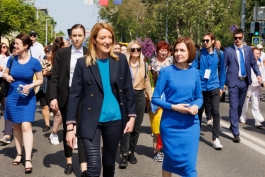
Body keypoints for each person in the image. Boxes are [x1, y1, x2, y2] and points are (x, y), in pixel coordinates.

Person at [66, 22, 136, 177]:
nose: (107, 41)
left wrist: (131, 116)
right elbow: (74, 96)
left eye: (110, 37)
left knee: (109, 164)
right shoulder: (83, 63)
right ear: (94, 40)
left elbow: (127, 90)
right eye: (103, 37)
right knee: (94, 169)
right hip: (91, 120)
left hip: (115, 120)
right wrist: (70, 127)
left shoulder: (121, 60)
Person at [152, 36, 203, 177]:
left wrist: (196, 106)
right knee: (169, 161)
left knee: (189, 166)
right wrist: (174, 107)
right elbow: (155, 98)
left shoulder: (194, 73)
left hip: (191, 125)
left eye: (182, 50)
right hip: (170, 125)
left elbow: (199, 97)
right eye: (176, 50)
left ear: (190, 52)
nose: (178, 53)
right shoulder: (166, 72)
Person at [50, 24, 88, 175]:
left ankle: (84, 166)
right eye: (74, 35)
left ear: (84, 36)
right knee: (68, 129)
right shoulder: (62, 53)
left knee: (83, 131)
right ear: (70, 37)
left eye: (80, 35)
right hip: (66, 95)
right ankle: (69, 162)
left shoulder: (89, 52)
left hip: (85, 96)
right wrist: (53, 97)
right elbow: (55, 77)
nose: (77, 38)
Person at [3, 33, 43, 174]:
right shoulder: (12, 59)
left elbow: (40, 80)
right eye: (14, 43)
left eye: (17, 44)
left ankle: (27, 159)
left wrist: (31, 85)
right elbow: (4, 74)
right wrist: (7, 76)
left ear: (26, 46)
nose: (15, 46)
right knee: (16, 126)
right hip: (13, 96)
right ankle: (19, 154)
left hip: (28, 98)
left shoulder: (34, 62)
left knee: (26, 126)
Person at [224, 29, 261, 143]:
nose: (238, 40)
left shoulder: (248, 50)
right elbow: (223, 67)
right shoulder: (228, 50)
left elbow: (253, 63)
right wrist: (223, 83)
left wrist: (258, 74)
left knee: (240, 106)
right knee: (234, 106)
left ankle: (233, 123)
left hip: (244, 82)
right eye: (235, 38)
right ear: (233, 38)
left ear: (243, 37)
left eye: (240, 38)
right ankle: (235, 132)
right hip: (233, 82)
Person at [119, 40, 152, 169]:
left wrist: (150, 97)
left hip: (139, 96)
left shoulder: (144, 64)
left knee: (136, 128)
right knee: (125, 127)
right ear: (129, 51)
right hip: (126, 96)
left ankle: (131, 152)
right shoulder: (123, 64)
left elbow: (147, 81)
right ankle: (123, 154)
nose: (136, 51)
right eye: (133, 49)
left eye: (138, 49)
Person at [191, 32, 226, 149]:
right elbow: (193, 70)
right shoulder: (199, 54)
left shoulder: (220, 54)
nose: (205, 42)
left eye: (207, 40)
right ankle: (195, 135)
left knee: (215, 112)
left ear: (213, 41)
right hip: (201, 87)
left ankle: (216, 139)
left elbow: (222, 72)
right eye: (203, 40)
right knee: (199, 111)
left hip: (214, 86)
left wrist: (221, 87)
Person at [149, 41, 173, 162]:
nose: (163, 52)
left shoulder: (172, 62)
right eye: (161, 49)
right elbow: (148, 81)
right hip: (156, 95)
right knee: (156, 126)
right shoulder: (151, 63)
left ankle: (166, 150)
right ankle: (157, 151)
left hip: (169, 96)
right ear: (157, 50)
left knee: (168, 126)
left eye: (165, 50)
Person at [240, 47, 265, 127]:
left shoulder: (260, 63)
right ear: (252, 54)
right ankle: (243, 117)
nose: (257, 55)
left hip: (256, 86)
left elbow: (263, 74)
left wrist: (263, 81)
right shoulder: (248, 62)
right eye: (256, 53)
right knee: (246, 102)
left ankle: (257, 121)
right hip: (248, 86)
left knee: (256, 103)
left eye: (259, 54)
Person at [47, 36, 65, 145]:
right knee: (59, 113)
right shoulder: (57, 55)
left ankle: (74, 135)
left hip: (67, 88)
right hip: (56, 87)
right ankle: (54, 133)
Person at [0, 41, 15, 145]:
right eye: (13, 48)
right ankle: (8, 134)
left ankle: (21, 130)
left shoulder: (29, 60)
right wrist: (7, 75)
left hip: (22, 89)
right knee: (7, 109)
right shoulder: (9, 59)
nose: (15, 50)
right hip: (8, 86)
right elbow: (4, 72)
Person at [0, 42, 9, 116]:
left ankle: (3, 108)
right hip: (0, 76)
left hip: (5, 76)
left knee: (4, 92)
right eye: (3, 47)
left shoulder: (8, 57)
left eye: (6, 47)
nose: (5, 48)